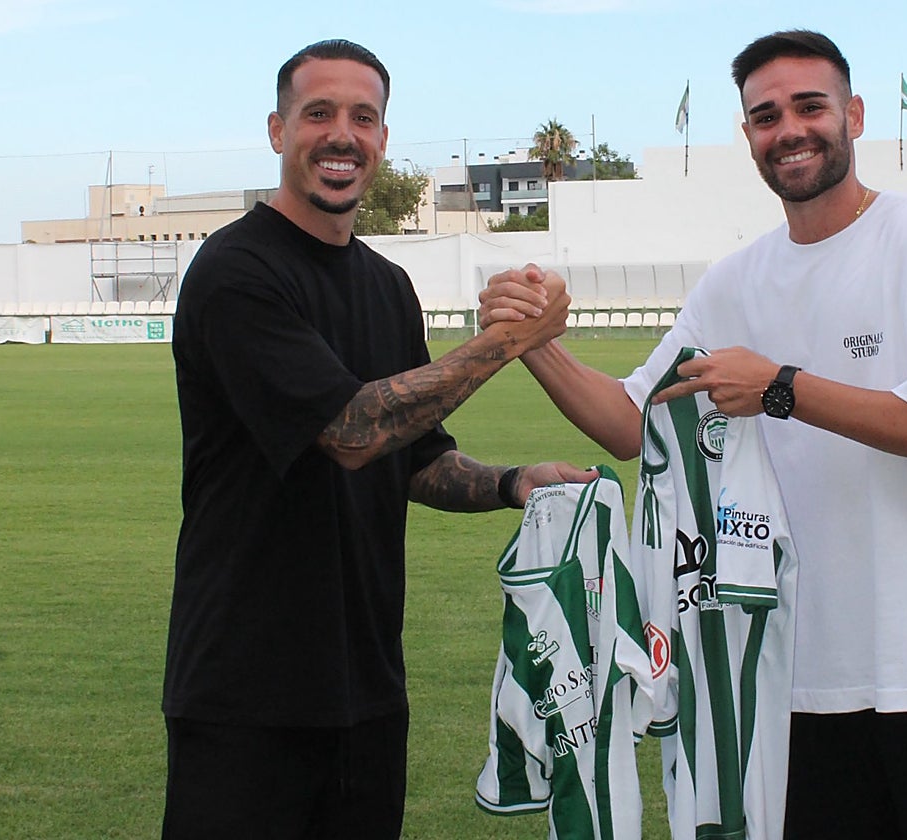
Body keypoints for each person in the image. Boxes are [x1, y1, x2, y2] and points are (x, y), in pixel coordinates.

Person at [479, 29, 907, 840]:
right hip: (793, 688)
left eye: (810, 106)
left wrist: (780, 388)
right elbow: (629, 421)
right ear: (748, 134)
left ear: (853, 115)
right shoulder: (736, 281)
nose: (789, 128)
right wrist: (531, 341)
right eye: (765, 115)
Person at [162, 38, 593, 839]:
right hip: (244, 695)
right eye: (317, 113)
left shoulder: (387, 287)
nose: (341, 135)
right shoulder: (236, 270)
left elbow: (414, 457)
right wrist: (509, 339)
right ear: (277, 129)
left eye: (363, 117)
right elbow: (354, 430)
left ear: (384, 141)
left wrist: (512, 482)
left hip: (365, 692)